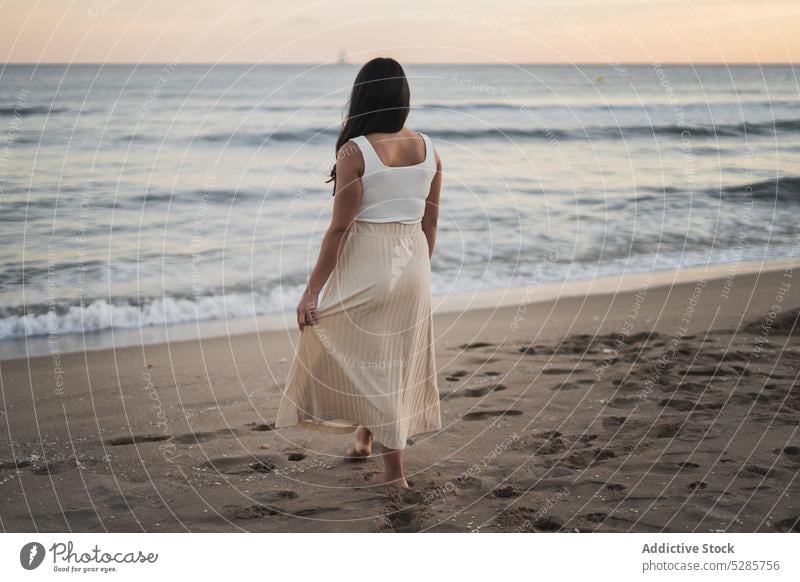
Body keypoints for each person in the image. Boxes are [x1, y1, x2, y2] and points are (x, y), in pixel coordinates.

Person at [275, 57, 443, 489]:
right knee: (390, 359)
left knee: (360, 352)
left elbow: (339, 230)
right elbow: (431, 225)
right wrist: (417, 272)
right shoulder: (430, 149)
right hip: (414, 266)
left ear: (362, 98)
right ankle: (364, 439)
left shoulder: (355, 152)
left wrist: (311, 293)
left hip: (370, 264)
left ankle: (395, 477)